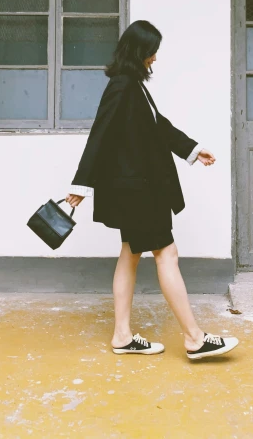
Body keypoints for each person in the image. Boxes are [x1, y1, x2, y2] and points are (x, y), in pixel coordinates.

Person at [66, 20, 238, 360]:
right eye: (151, 51)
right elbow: (99, 135)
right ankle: (194, 338)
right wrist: (81, 185)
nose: (155, 57)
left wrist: (191, 149)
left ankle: (121, 336)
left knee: (130, 255)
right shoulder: (121, 87)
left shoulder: (131, 85)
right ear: (139, 52)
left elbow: (159, 126)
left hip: (136, 190)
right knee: (167, 254)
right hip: (139, 191)